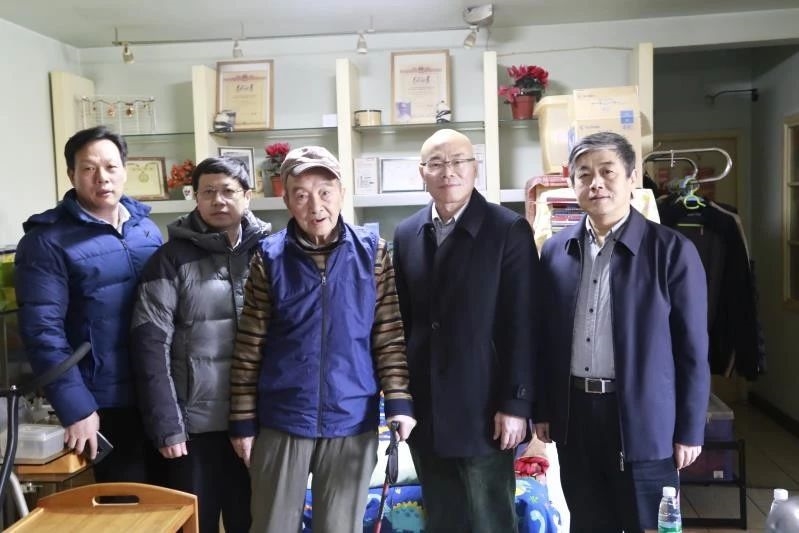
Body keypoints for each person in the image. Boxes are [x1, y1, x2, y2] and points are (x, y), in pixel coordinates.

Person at [228, 145, 416, 533]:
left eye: (325, 192)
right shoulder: (269, 257)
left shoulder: (373, 252)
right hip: (283, 416)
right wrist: (242, 421)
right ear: (286, 200)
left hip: (352, 417)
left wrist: (399, 401)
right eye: (301, 195)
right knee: (271, 526)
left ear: (341, 193)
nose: (315, 206)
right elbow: (249, 345)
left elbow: (388, 334)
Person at [534, 131, 711, 531]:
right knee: (588, 520)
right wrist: (544, 409)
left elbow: (693, 350)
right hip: (576, 414)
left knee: (647, 523)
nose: (595, 183)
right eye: (584, 174)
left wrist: (689, 429)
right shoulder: (556, 250)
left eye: (607, 171)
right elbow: (544, 340)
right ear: (572, 183)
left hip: (646, 419)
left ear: (632, 178)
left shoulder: (671, 250)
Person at [392, 128, 540, 532]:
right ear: (422, 172)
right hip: (426, 408)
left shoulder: (507, 229)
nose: (449, 172)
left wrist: (516, 403)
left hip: (485, 408)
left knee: (490, 519)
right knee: (442, 518)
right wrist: (400, 398)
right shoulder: (406, 233)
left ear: (475, 168)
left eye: (459, 161)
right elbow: (400, 323)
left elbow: (523, 323)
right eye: (437, 163)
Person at [14, 125, 163, 482]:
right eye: (89, 168)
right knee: (125, 503)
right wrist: (77, 407)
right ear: (71, 175)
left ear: (125, 170)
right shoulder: (46, 241)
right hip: (103, 402)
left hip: (159, 395)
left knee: (174, 503)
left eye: (111, 167)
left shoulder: (146, 229)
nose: (102, 178)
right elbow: (42, 331)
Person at [131, 157, 270, 532]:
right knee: (195, 524)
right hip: (194, 429)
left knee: (255, 522)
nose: (218, 200)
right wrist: (167, 424)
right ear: (195, 197)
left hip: (261, 423)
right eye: (208, 191)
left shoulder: (271, 252)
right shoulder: (169, 260)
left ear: (248, 196)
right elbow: (150, 345)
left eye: (228, 191)